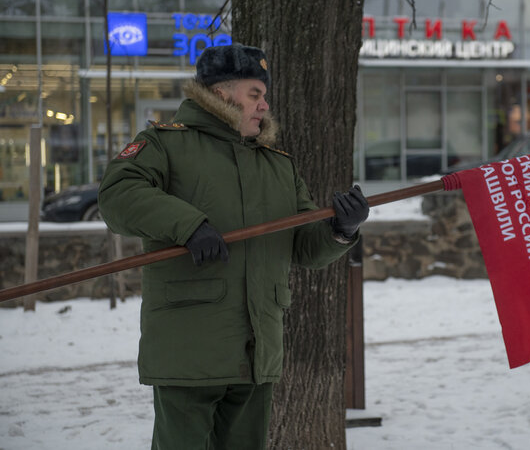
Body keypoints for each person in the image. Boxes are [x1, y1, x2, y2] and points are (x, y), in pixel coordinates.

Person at [97, 43, 369, 450]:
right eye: (254, 94)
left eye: (264, 96)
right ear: (221, 93)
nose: (264, 106)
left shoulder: (277, 165)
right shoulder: (166, 145)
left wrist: (340, 229)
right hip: (188, 350)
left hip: (256, 351)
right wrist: (189, 225)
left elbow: (306, 248)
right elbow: (117, 195)